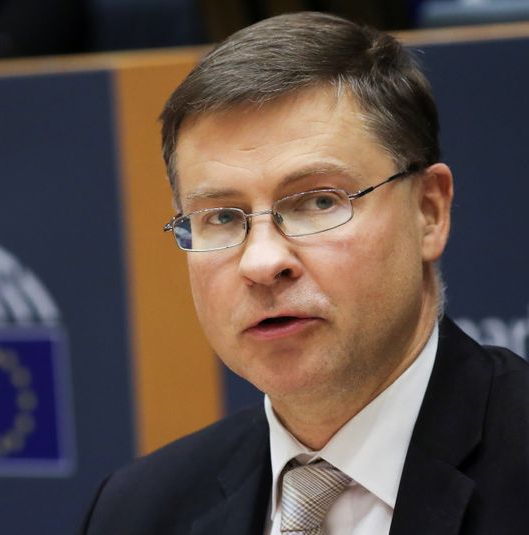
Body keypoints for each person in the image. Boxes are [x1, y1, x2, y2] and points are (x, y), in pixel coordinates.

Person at [80, 11, 529, 535]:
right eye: (222, 217)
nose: (263, 263)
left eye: (318, 201)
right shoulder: (137, 512)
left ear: (429, 211)